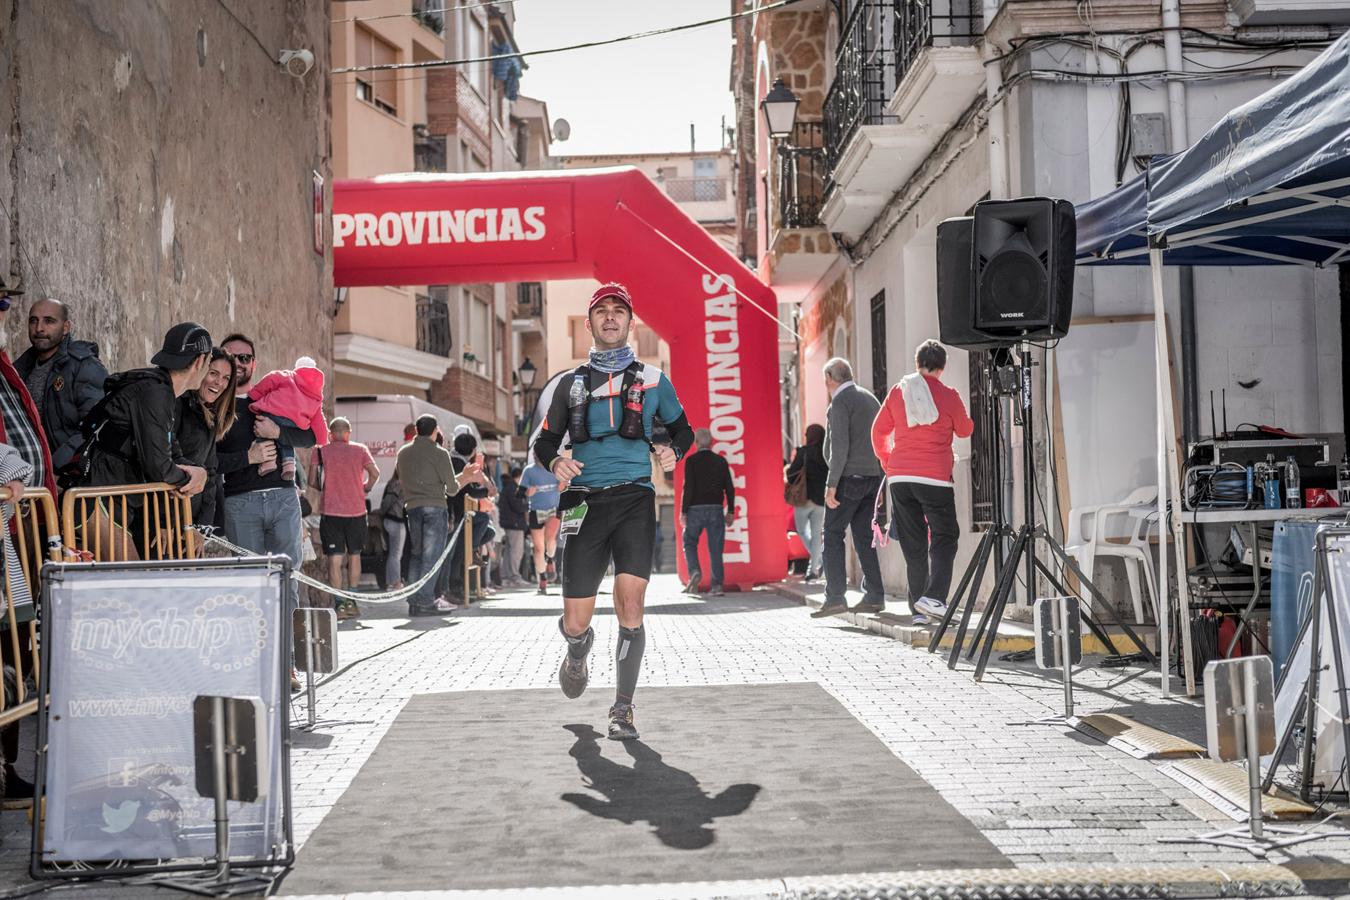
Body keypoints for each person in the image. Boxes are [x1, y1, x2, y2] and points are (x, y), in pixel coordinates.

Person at [532, 283, 695, 741]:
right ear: (589, 323)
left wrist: (672, 453)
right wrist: (554, 461)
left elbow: (684, 430)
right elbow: (544, 441)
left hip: (634, 500)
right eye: (601, 311)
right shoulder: (568, 384)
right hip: (583, 501)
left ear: (630, 322)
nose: (610, 318)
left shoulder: (655, 380)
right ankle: (578, 650)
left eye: (618, 311)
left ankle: (622, 710)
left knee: (631, 605)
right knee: (576, 620)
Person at [82, 322, 211, 556]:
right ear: (201, 361)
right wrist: (190, 478)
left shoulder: (162, 391)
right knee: (131, 586)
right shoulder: (155, 393)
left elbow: (174, 454)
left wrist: (199, 472)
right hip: (98, 500)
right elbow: (159, 467)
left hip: (112, 503)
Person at [871, 340, 973, 624]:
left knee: (913, 543)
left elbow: (878, 431)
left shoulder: (898, 391)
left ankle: (918, 611)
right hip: (934, 478)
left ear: (918, 364)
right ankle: (935, 598)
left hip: (900, 477)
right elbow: (965, 430)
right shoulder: (948, 395)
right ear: (942, 367)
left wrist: (886, 459)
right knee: (945, 536)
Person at [0, 277, 55, 804]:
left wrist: (17, 478)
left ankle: (6, 770)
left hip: (12, 539)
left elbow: (12, 448)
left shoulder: (4, 365)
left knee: (14, 651)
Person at [216, 334, 320, 598]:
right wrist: (248, 457)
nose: (238, 363)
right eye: (231, 357)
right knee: (250, 582)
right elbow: (209, 462)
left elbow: (312, 437)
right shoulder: (213, 407)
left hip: (283, 498)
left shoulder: (274, 398)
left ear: (253, 364)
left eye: (244, 358)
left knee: (288, 579)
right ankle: (257, 639)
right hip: (240, 502)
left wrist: (278, 433)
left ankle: (285, 640)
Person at [813, 357, 885, 618]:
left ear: (830, 378)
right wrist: (880, 480)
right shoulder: (870, 399)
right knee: (865, 538)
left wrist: (831, 485)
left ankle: (834, 597)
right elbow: (882, 441)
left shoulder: (840, 402)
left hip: (848, 479)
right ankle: (875, 595)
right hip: (872, 478)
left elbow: (839, 447)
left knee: (832, 534)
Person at [14, 297, 108, 479]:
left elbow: (95, 427)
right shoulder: (20, 369)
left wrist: (58, 470)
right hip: (28, 476)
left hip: (67, 479)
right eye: (33, 321)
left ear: (66, 327)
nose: (39, 328)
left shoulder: (84, 367)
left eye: (49, 321)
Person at [396, 414, 474, 615]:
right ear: (435, 430)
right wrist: (465, 477)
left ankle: (414, 601)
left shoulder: (403, 453)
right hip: (434, 507)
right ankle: (425, 601)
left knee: (416, 555)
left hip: (412, 506)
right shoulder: (440, 453)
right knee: (431, 558)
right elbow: (452, 489)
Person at [313, 416, 380, 618]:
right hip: (356, 511)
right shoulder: (360, 450)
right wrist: (364, 488)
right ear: (348, 433)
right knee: (355, 555)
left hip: (331, 512)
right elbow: (375, 473)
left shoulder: (321, 451)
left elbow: (312, 480)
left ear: (331, 435)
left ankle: (340, 605)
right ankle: (352, 601)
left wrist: (326, 489)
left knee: (334, 558)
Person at [175, 347, 237, 531]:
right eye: (213, 373)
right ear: (201, 371)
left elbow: (210, 474)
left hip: (190, 522)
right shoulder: (179, 405)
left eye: (226, 378)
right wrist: (164, 522)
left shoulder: (209, 416)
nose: (219, 382)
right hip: (167, 522)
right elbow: (163, 464)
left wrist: (203, 527)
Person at [246, 355, 329, 480]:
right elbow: (319, 419)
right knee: (287, 438)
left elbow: (270, 380)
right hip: (294, 423)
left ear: (297, 368)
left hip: (273, 414)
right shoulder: (316, 396)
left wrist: (253, 395)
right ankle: (289, 464)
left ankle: (268, 462)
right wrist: (322, 438)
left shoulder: (286, 376)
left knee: (262, 426)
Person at [680, 428, 735, 596]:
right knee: (716, 549)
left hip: (695, 509)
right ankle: (717, 586)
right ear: (712, 443)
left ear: (696, 443)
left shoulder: (691, 461)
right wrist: (730, 511)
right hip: (716, 509)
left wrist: (684, 512)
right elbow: (730, 488)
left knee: (689, 541)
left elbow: (688, 488)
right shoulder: (721, 461)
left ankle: (694, 572)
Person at [446, 429, 495, 601]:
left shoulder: (453, 460)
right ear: (473, 450)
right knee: (457, 553)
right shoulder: (460, 464)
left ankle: (472, 551)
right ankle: (471, 552)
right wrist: (487, 491)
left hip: (459, 513)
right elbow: (469, 491)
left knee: (487, 530)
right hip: (458, 514)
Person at [785, 423, 829, 580]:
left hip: (803, 499)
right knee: (817, 534)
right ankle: (815, 569)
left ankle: (820, 562)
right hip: (820, 500)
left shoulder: (803, 452)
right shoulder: (826, 453)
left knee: (802, 532)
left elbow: (791, 475)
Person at [519, 458, 561, 595]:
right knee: (538, 548)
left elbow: (567, 484)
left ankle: (550, 559)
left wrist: (563, 485)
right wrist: (527, 493)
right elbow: (519, 493)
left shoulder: (556, 467)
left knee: (550, 538)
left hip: (553, 508)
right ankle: (542, 578)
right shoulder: (529, 470)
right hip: (535, 510)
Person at [497, 466, 529, 587]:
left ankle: (506, 577)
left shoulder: (508, 487)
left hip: (510, 523)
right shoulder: (513, 489)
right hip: (514, 523)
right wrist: (528, 504)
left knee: (509, 552)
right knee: (516, 551)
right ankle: (514, 576)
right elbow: (518, 506)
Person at [379, 471, 407, 591]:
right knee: (396, 554)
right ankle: (395, 582)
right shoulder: (398, 484)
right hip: (396, 521)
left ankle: (390, 582)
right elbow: (387, 502)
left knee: (392, 554)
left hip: (389, 520)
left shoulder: (392, 483)